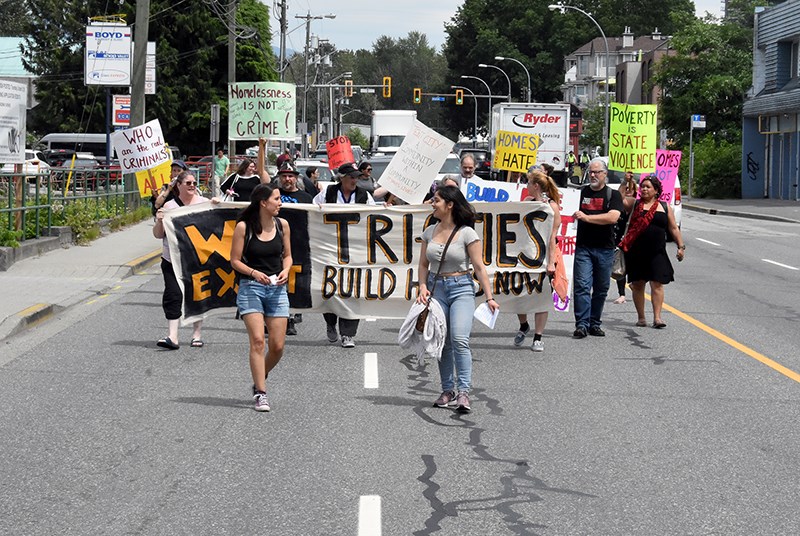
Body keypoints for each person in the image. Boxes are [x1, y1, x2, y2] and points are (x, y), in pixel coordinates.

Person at [417, 185, 499, 413]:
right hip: (437, 290)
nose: (432, 204)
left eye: (436, 200)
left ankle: (463, 392)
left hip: (461, 288)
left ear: (450, 204)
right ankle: (447, 391)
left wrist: (489, 297)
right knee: (443, 342)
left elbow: (480, 267)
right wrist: (422, 286)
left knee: (460, 339)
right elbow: (423, 264)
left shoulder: (467, 233)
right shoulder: (429, 231)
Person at [229, 183, 292, 412]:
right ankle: (261, 392)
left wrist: (286, 270)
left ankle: (260, 375)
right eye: (276, 198)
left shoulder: (282, 225)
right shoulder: (243, 228)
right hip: (251, 288)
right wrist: (255, 273)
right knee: (258, 341)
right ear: (263, 203)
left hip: (277, 289)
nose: (280, 202)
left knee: (277, 346)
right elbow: (235, 260)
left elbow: (288, 256)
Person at [313, 162, 376, 347]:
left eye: (356, 177)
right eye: (351, 177)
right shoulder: (328, 193)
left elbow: (374, 214)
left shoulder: (364, 195)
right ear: (342, 178)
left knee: (352, 290)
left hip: (355, 250)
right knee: (330, 289)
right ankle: (331, 323)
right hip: (331, 249)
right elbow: (313, 209)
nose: (355, 180)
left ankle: (348, 334)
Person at [619, 176, 685, 328]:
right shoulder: (635, 204)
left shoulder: (664, 206)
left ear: (656, 191)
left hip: (657, 252)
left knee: (657, 284)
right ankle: (641, 317)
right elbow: (619, 199)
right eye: (642, 186)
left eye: (648, 187)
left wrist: (680, 246)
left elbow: (674, 228)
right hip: (637, 252)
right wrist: (625, 182)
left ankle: (657, 318)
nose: (644, 189)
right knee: (638, 284)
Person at [152, 171, 209, 349]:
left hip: (196, 259)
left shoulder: (204, 203)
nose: (192, 186)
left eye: (194, 183)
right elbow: (158, 235)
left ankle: (196, 334)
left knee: (197, 295)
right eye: (188, 183)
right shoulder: (169, 206)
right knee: (173, 294)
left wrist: (216, 205)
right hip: (172, 259)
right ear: (179, 185)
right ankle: (172, 336)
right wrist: (160, 221)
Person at [572, 157, 624, 338]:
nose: (593, 175)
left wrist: (586, 218)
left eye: (597, 172)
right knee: (582, 286)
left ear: (605, 174)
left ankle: (595, 323)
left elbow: (612, 218)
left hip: (605, 249)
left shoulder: (613, 195)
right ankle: (582, 324)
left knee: (601, 288)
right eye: (591, 172)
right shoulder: (578, 193)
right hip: (583, 248)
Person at [513, 169, 561, 351]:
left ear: (535, 186)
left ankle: (538, 336)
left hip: (542, 257)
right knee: (518, 294)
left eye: (528, 183)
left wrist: (550, 262)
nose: (526, 187)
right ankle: (524, 325)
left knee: (541, 296)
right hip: (523, 255)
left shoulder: (551, 206)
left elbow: (552, 236)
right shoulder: (526, 202)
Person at [276, 162, 313, 337]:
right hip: (275, 244)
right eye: (284, 176)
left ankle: (291, 315)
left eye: (290, 176)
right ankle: (280, 318)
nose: (287, 179)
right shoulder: (274, 195)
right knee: (277, 281)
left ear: (296, 178)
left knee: (294, 284)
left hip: (299, 244)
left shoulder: (306, 197)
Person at [215, 139, 270, 203]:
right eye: (251, 167)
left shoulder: (257, 178)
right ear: (245, 167)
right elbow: (223, 187)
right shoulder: (235, 176)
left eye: (254, 167)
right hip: (236, 205)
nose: (253, 168)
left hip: (251, 206)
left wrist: (262, 146)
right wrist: (228, 191)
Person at [613, 171, 638, 304]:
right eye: (626, 190)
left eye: (631, 190)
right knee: (620, 266)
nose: (628, 192)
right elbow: (619, 196)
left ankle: (634, 284)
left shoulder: (637, 206)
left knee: (632, 264)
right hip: (620, 239)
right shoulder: (619, 206)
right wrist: (625, 182)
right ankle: (622, 293)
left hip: (633, 240)